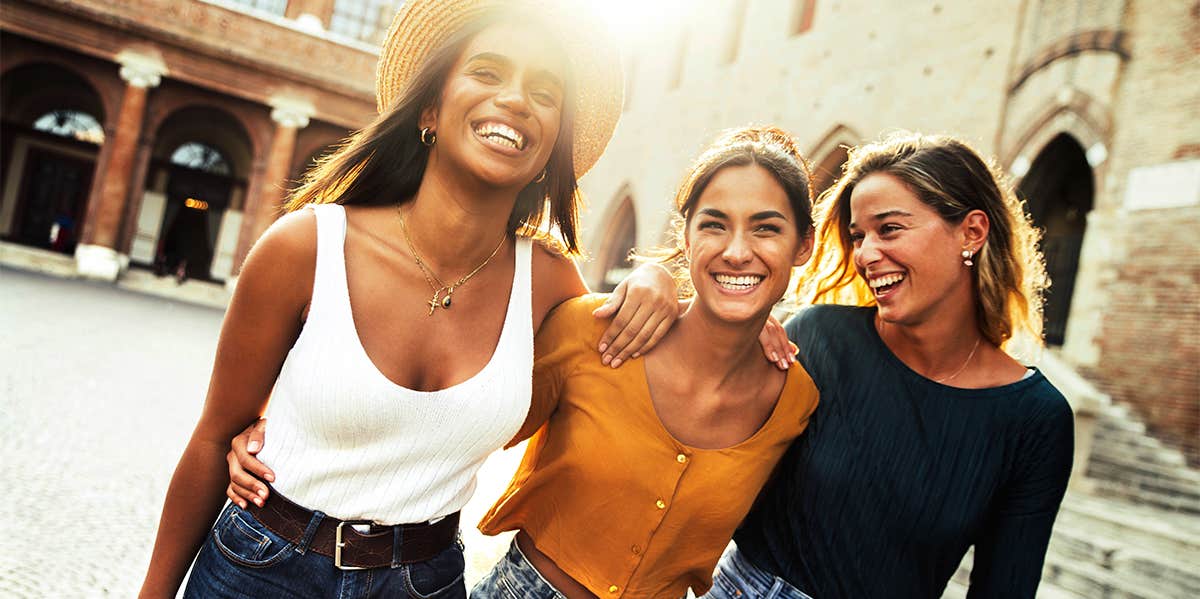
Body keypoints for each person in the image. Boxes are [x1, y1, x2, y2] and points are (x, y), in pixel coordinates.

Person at [138, 1, 682, 597]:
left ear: (551, 148)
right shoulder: (306, 248)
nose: (516, 99)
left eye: (545, 92)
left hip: (424, 582)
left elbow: (650, 371)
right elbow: (216, 437)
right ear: (430, 109)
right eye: (488, 72)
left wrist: (670, 289)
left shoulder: (551, 285)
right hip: (261, 568)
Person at [229, 126, 822, 598]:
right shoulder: (592, 333)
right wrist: (283, 442)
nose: (738, 249)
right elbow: (451, 417)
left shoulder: (797, 401)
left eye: (766, 229)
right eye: (714, 225)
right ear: (686, 237)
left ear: (803, 247)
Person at [708, 132, 1075, 599]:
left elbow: (1005, 588)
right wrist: (671, 301)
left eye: (890, 229)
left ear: (972, 232)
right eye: (858, 235)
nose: (864, 253)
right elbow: (697, 444)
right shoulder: (820, 338)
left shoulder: (1036, 419)